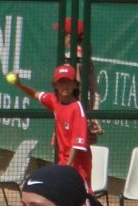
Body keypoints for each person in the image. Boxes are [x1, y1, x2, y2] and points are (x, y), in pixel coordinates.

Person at [10, 64, 93, 192]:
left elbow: (76, 146)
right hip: (63, 164)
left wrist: (66, 169)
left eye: (68, 82)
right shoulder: (55, 100)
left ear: (75, 85)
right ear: (55, 85)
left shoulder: (77, 109)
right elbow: (36, 94)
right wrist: (19, 85)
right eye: (61, 83)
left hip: (78, 168)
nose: (64, 86)